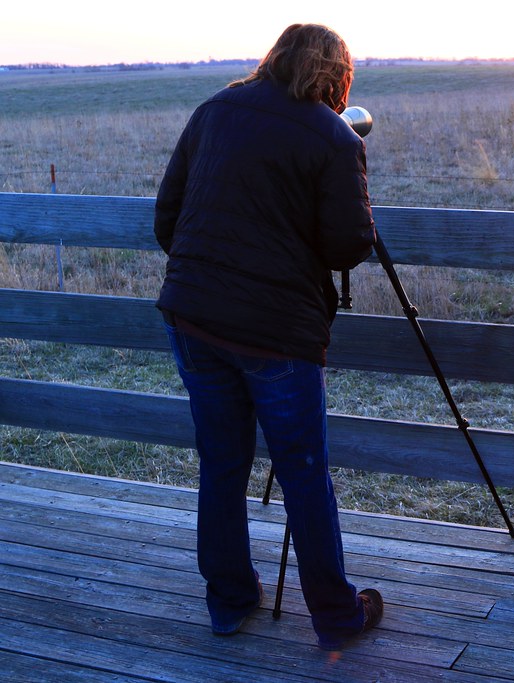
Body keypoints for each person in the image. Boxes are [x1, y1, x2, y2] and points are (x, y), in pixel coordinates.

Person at [153, 23, 382, 650]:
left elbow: (167, 217)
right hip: (277, 335)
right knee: (303, 473)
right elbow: (348, 246)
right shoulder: (333, 136)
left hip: (193, 318)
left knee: (221, 463)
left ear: (275, 57)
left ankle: (228, 602)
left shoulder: (214, 110)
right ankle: (337, 616)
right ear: (336, 75)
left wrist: (215, 275)